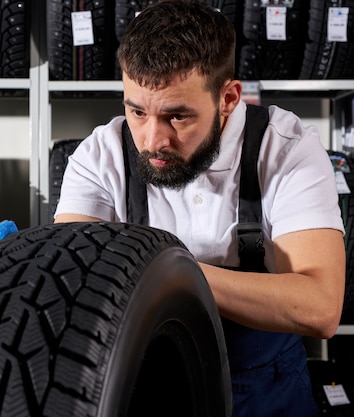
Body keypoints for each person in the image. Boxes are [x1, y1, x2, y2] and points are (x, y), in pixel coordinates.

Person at [53, 1, 346, 416]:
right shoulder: (99, 155)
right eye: (136, 110)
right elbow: (76, 279)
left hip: (265, 393)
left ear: (228, 98)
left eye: (177, 116)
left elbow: (319, 307)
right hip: (147, 387)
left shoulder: (287, 149)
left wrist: (164, 272)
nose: (152, 140)